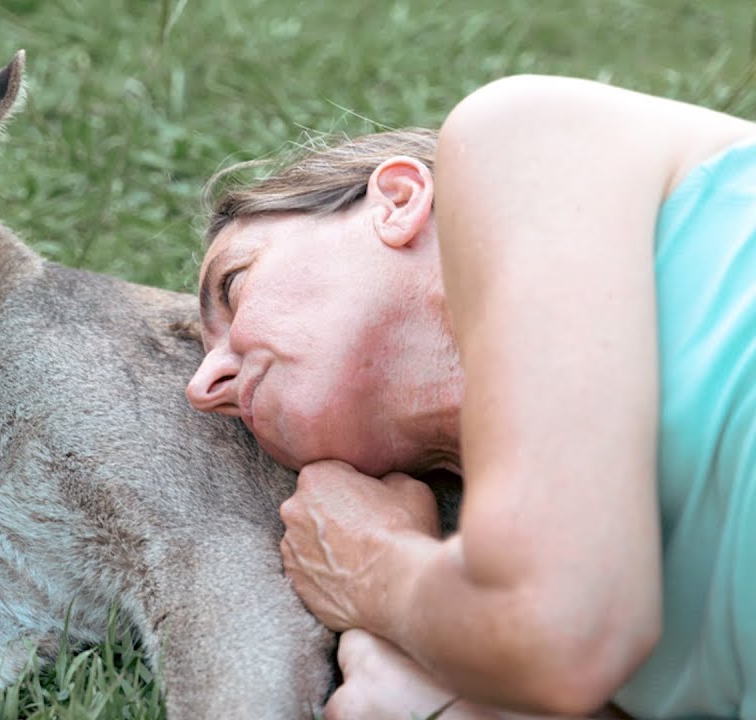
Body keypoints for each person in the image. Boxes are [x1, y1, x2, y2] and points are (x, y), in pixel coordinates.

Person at [185, 74, 756, 719]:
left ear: (398, 200)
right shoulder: (505, 605)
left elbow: (565, 634)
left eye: (234, 287)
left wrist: (371, 567)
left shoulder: (523, 137)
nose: (204, 388)